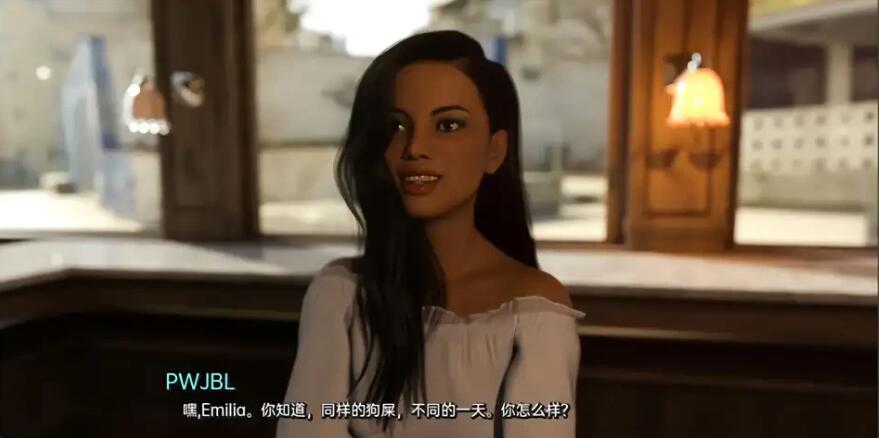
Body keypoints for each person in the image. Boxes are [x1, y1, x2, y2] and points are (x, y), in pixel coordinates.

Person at [277, 30, 585, 438]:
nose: (415, 148)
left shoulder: (534, 310)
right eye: (396, 126)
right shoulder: (341, 294)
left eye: (448, 124)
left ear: (494, 150)